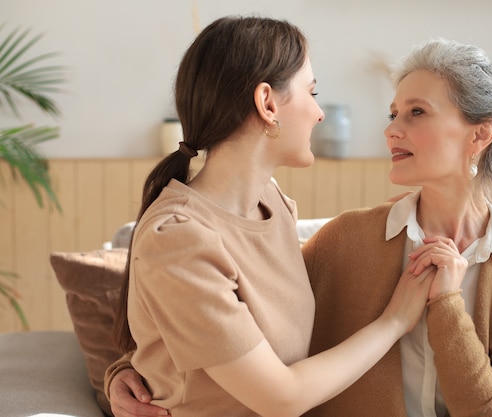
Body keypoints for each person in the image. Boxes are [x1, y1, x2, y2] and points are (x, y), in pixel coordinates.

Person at [107, 37, 492, 417]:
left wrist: (445, 305)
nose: (391, 130)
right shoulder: (349, 240)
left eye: (416, 113)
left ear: (479, 135)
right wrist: (129, 371)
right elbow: (227, 314)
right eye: (393, 114)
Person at [106, 15, 438, 417]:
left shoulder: (271, 202)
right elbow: (282, 399)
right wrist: (395, 320)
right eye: (312, 92)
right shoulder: (178, 237)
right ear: (267, 104)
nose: (319, 113)